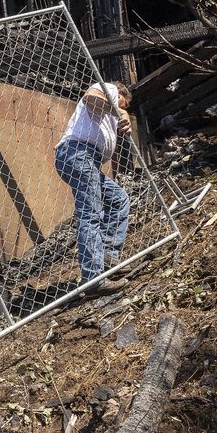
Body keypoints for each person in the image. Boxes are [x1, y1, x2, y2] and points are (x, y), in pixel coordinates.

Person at [54, 80, 132, 291]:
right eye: (123, 104)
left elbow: (113, 114)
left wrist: (122, 117)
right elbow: (90, 98)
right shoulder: (110, 89)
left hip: (84, 159)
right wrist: (119, 111)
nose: (122, 110)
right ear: (120, 94)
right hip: (79, 153)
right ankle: (92, 279)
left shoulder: (111, 111)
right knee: (90, 214)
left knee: (118, 199)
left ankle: (106, 256)